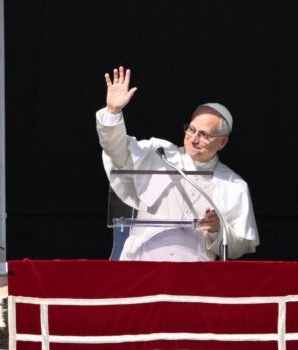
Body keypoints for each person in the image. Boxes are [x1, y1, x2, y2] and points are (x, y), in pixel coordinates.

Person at [96, 66, 259, 261]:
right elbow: (117, 152)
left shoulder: (232, 184)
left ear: (222, 142)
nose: (194, 139)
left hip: (193, 278)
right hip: (141, 267)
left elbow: (240, 246)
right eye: (191, 129)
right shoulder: (160, 154)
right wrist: (113, 112)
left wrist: (218, 229)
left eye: (204, 135)